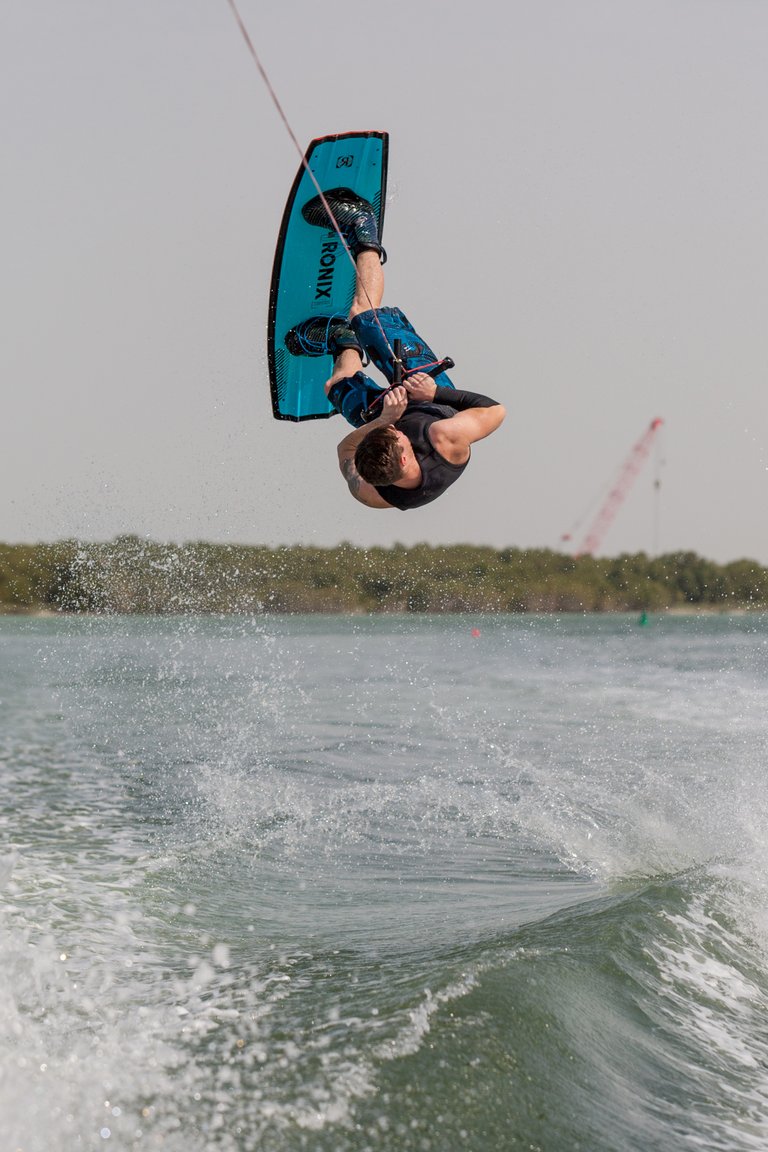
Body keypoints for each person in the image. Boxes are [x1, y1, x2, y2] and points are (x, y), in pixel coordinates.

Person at [284, 188, 506, 510]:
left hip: (393, 408)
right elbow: (494, 411)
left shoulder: (372, 493)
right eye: (395, 434)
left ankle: (341, 339)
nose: (396, 431)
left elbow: (345, 449)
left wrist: (384, 419)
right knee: (364, 315)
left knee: (335, 386)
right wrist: (432, 395)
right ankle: (362, 225)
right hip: (428, 393)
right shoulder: (446, 439)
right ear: (406, 453)